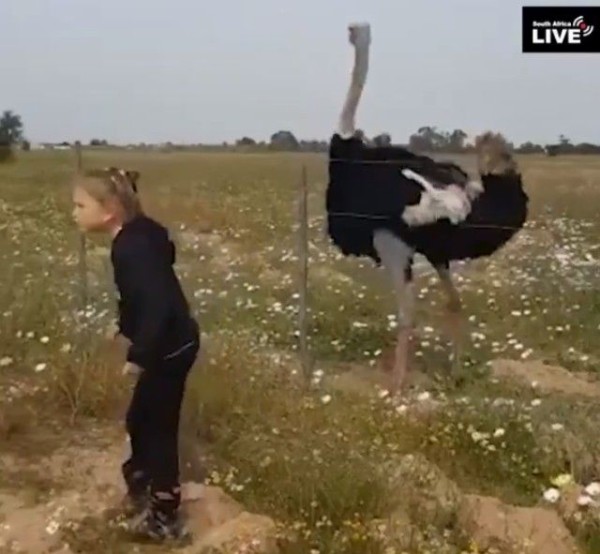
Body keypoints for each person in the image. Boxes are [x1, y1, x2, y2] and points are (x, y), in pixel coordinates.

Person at [71, 167, 200, 540]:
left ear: (109, 209)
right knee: (141, 420)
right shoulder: (141, 233)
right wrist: (127, 325)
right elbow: (146, 289)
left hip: (169, 348)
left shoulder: (130, 248)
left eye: (80, 205)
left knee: (157, 427)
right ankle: (141, 484)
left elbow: (157, 303)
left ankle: (164, 515)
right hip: (173, 340)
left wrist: (139, 353)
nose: (74, 213)